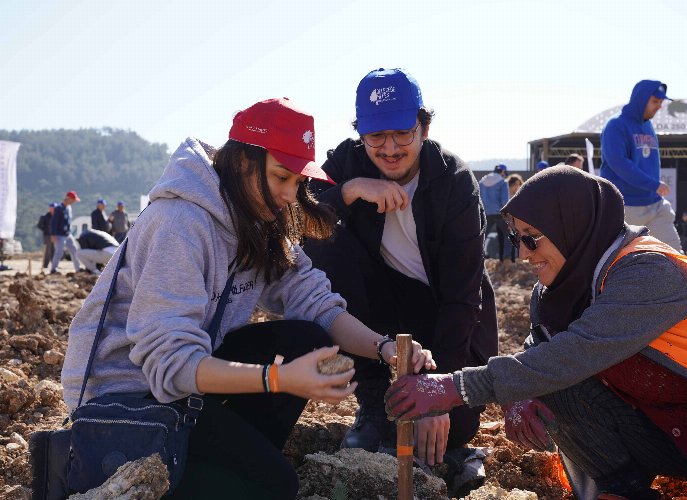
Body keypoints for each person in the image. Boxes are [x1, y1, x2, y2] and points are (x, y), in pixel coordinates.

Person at [61, 98, 432, 499]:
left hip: (189, 388)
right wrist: (280, 379)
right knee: (275, 485)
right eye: (281, 177)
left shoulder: (259, 220)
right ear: (242, 162)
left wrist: (384, 348)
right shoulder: (179, 224)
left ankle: (234, 459)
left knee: (307, 338)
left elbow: (318, 305)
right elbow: (170, 364)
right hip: (126, 400)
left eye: (298, 182)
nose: (291, 195)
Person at [385, 166, 687, 500]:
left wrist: (456, 387)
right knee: (549, 382)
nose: (525, 254)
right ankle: (623, 489)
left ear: (571, 226)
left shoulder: (650, 272)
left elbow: (576, 351)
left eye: (533, 238)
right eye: (518, 239)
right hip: (660, 431)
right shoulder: (552, 293)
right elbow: (539, 352)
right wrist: (516, 399)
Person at [305, 68, 497, 469]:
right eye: (376, 136)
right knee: (326, 239)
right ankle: (374, 400)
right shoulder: (348, 161)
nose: (390, 148)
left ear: (423, 128)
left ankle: (433, 408)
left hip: (447, 312)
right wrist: (351, 189)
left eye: (402, 134)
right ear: (362, 135)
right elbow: (302, 216)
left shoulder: (454, 181)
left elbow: (464, 297)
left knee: (452, 430)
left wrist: (437, 392)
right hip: (380, 307)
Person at [600, 80, 682, 251]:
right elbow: (618, 163)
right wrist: (653, 184)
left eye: (661, 102)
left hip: (654, 204)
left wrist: (653, 187)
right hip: (625, 207)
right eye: (655, 101)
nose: (659, 106)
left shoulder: (648, 126)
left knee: (675, 255)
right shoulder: (616, 125)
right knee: (615, 261)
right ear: (641, 99)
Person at [479, 164, 509, 260]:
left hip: (486, 213)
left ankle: (481, 256)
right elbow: (505, 201)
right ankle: (506, 258)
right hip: (499, 213)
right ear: (503, 172)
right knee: (507, 235)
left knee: (483, 236)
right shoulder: (503, 182)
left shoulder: (482, 182)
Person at [49, 191, 81, 274]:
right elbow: (53, 222)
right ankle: (53, 269)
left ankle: (78, 269)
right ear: (68, 199)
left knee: (74, 250)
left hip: (67, 234)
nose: (74, 202)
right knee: (59, 252)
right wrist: (53, 234)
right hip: (59, 234)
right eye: (73, 200)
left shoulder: (69, 208)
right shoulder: (59, 208)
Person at [36, 203, 56, 271]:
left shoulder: (56, 216)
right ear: (50, 208)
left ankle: (54, 264)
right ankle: (45, 264)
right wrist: (46, 230)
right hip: (47, 235)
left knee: (54, 249)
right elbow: (39, 225)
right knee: (47, 250)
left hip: (55, 235)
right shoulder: (44, 216)